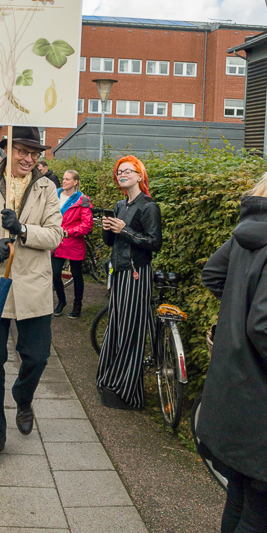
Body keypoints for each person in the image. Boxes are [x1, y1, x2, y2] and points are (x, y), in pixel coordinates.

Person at [198, 165, 267, 533]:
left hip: (236, 392)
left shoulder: (248, 232)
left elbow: (213, 276)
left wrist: (235, 317)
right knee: (261, 514)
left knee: (239, 496)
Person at [0, 126, 62, 465]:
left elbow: (55, 235)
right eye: (22, 150)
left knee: (36, 357)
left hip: (34, 285)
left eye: (34, 152)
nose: (29, 158)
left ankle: (23, 396)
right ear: (7, 151)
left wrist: (22, 230)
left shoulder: (48, 188)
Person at [97, 155, 162, 411]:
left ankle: (126, 390)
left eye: (127, 171)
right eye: (119, 172)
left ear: (139, 175)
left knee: (131, 330)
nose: (122, 174)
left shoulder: (149, 206)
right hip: (120, 272)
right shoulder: (119, 204)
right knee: (116, 326)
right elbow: (110, 243)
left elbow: (154, 243)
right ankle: (110, 380)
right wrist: (107, 228)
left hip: (137, 274)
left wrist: (124, 229)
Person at [52, 170, 93, 319]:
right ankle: (61, 301)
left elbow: (87, 225)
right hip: (57, 242)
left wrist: (69, 232)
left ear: (75, 182)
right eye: (63, 179)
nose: (63, 182)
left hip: (73, 243)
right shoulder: (55, 195)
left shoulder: (83, 200)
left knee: (77, 276)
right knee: (55, 274)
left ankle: (77, 305)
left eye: (67, 179)